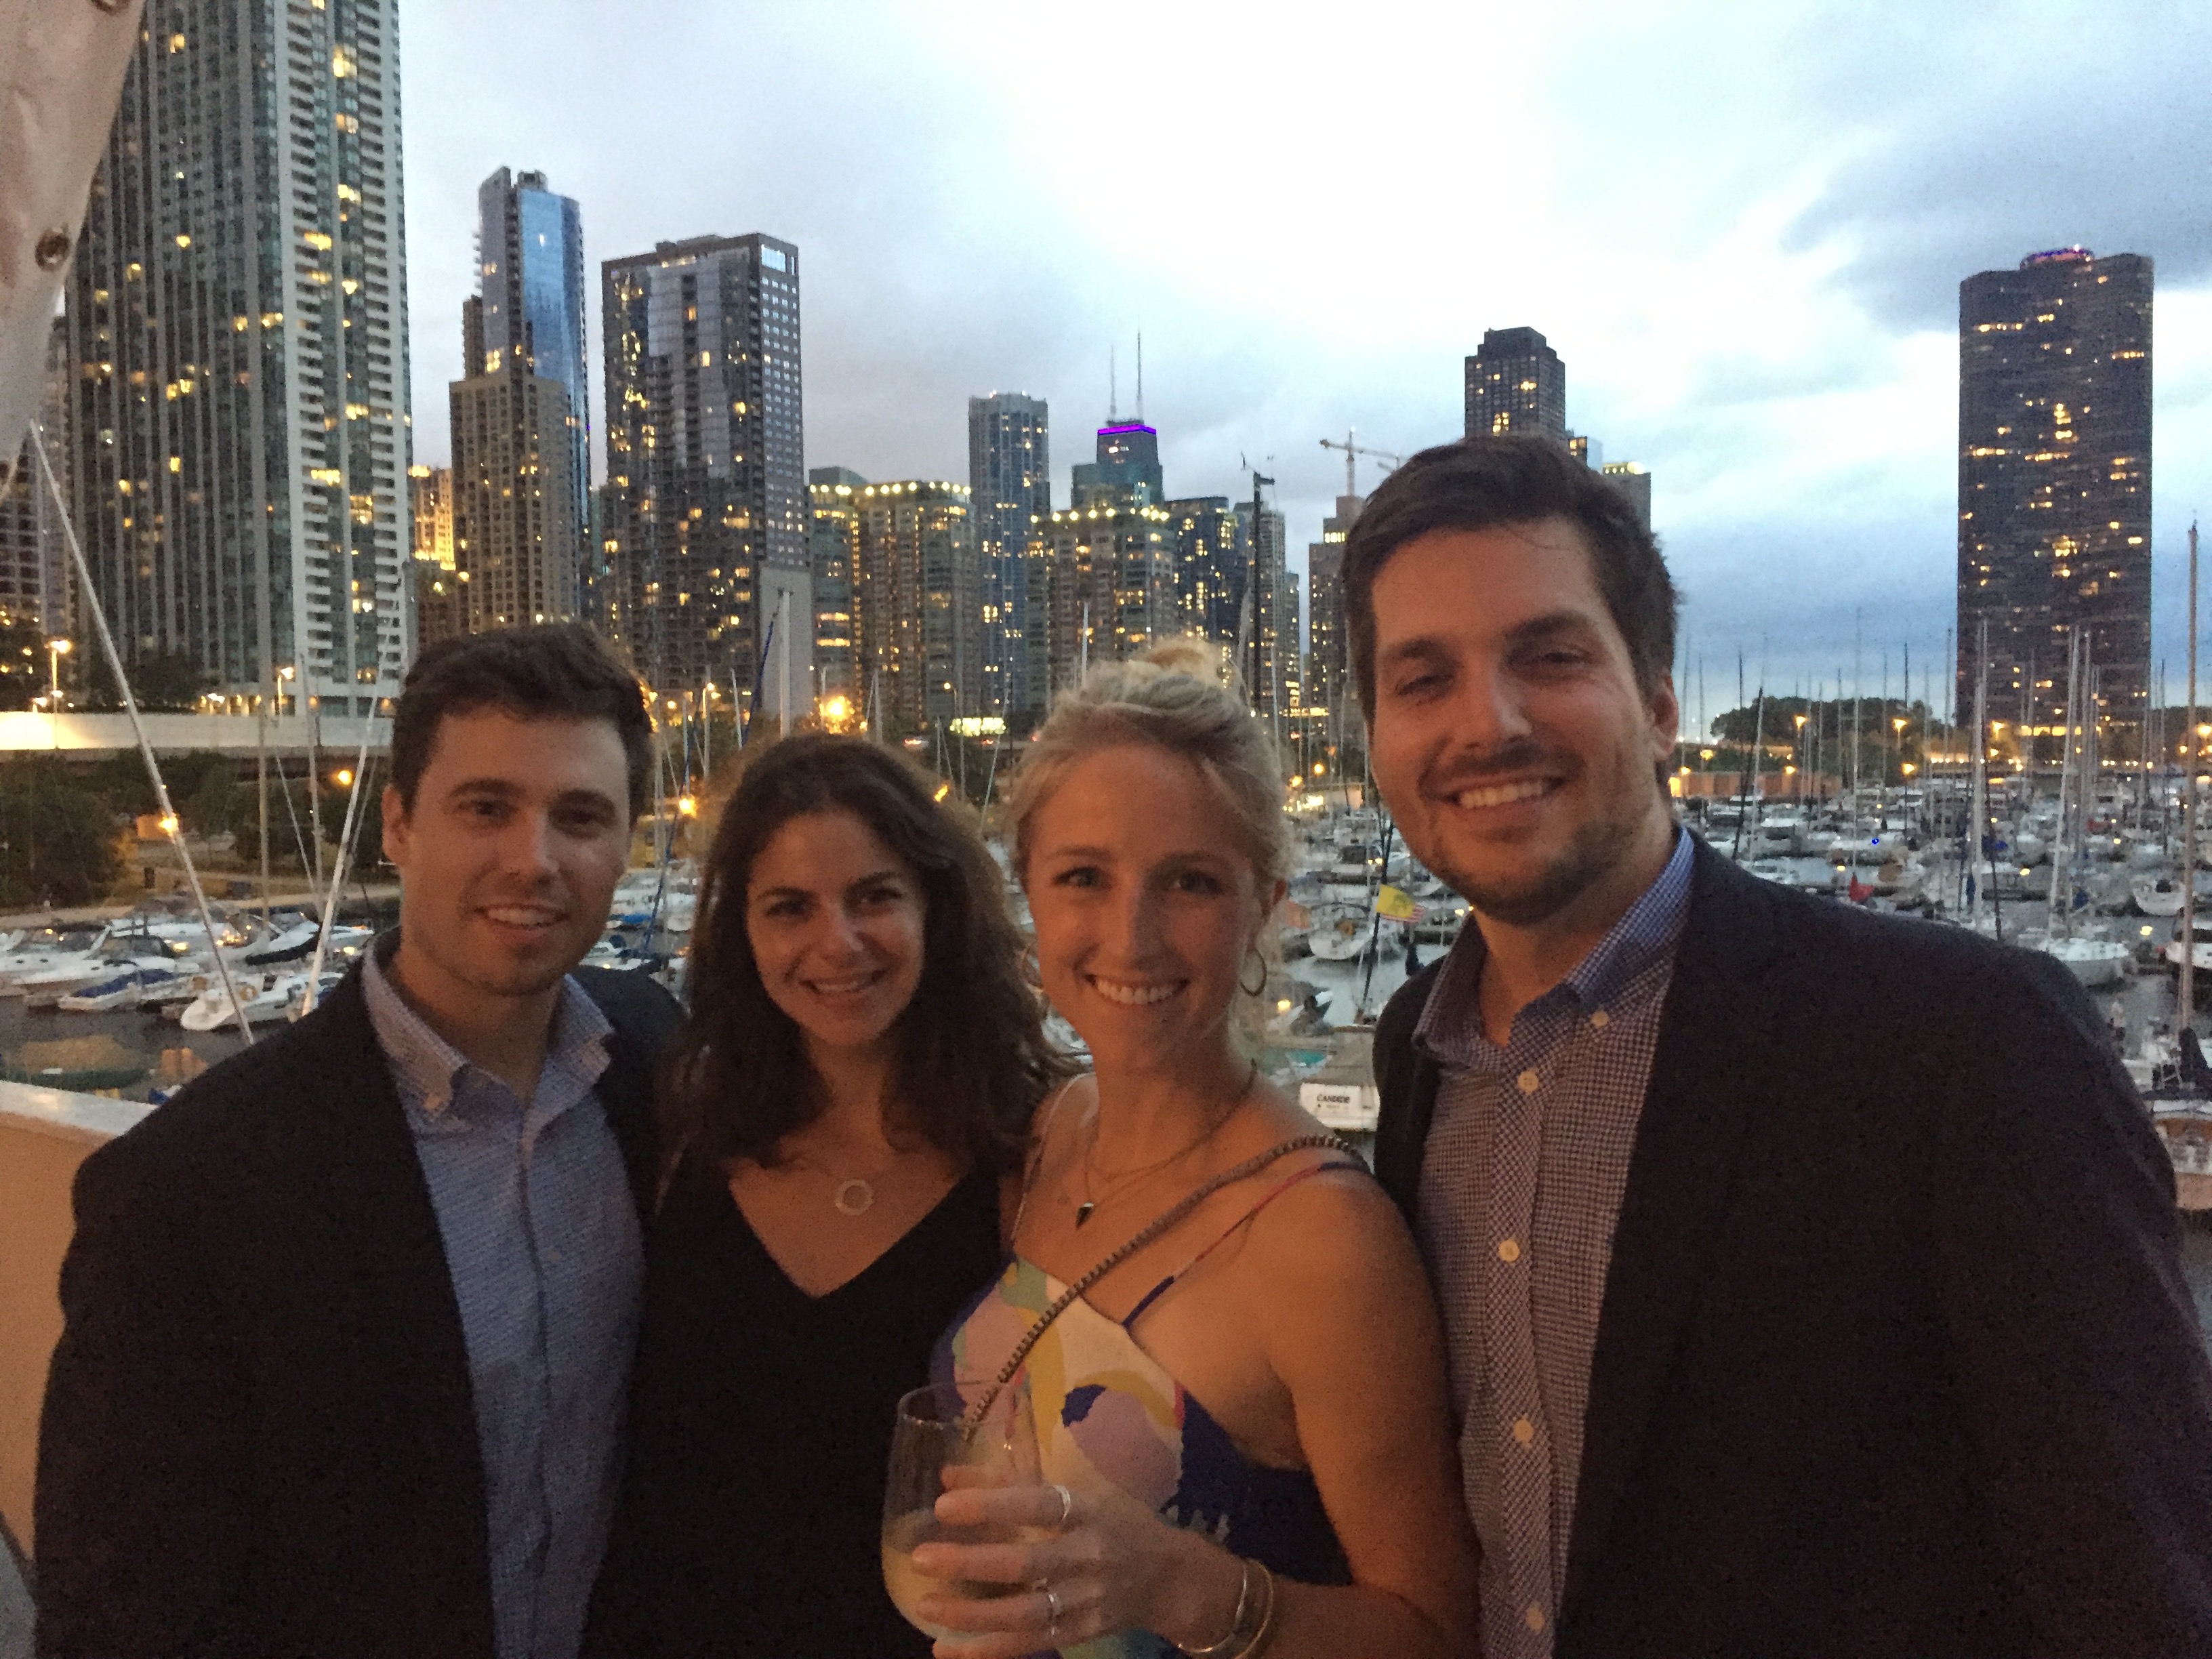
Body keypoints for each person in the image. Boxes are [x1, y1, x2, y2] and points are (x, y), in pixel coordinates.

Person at [1349, 434, 2212, 1657]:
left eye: (1549, 657)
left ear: (1657, 708)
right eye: (1421, 680)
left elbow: (2138, 1575)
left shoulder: (1964, 1043)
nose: (1485, 725)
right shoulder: (1416, 1051)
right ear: (1378, 735)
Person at [35, 626, 680, 1659]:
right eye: (486, 808)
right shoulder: (188, 1189)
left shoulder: (655, 1060)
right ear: (398, 824)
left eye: (582, 816)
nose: (535, 858)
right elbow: (124, 1605)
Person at [916, 640, 1476, 1659]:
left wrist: (1189, 1589)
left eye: (1189, 884)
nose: (1131, 938)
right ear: (1029, 896)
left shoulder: (1324, 1241)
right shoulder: (1053, 1132)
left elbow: (1437, 1634)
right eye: (1084, 876)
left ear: (1264, 909)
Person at [585, 735, 1069, 1658]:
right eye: (789, 908)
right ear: (744, 935)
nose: (835, 944)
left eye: (875, 897)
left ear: (937, 908)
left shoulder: (1026, 1159)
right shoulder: (678, 1132)